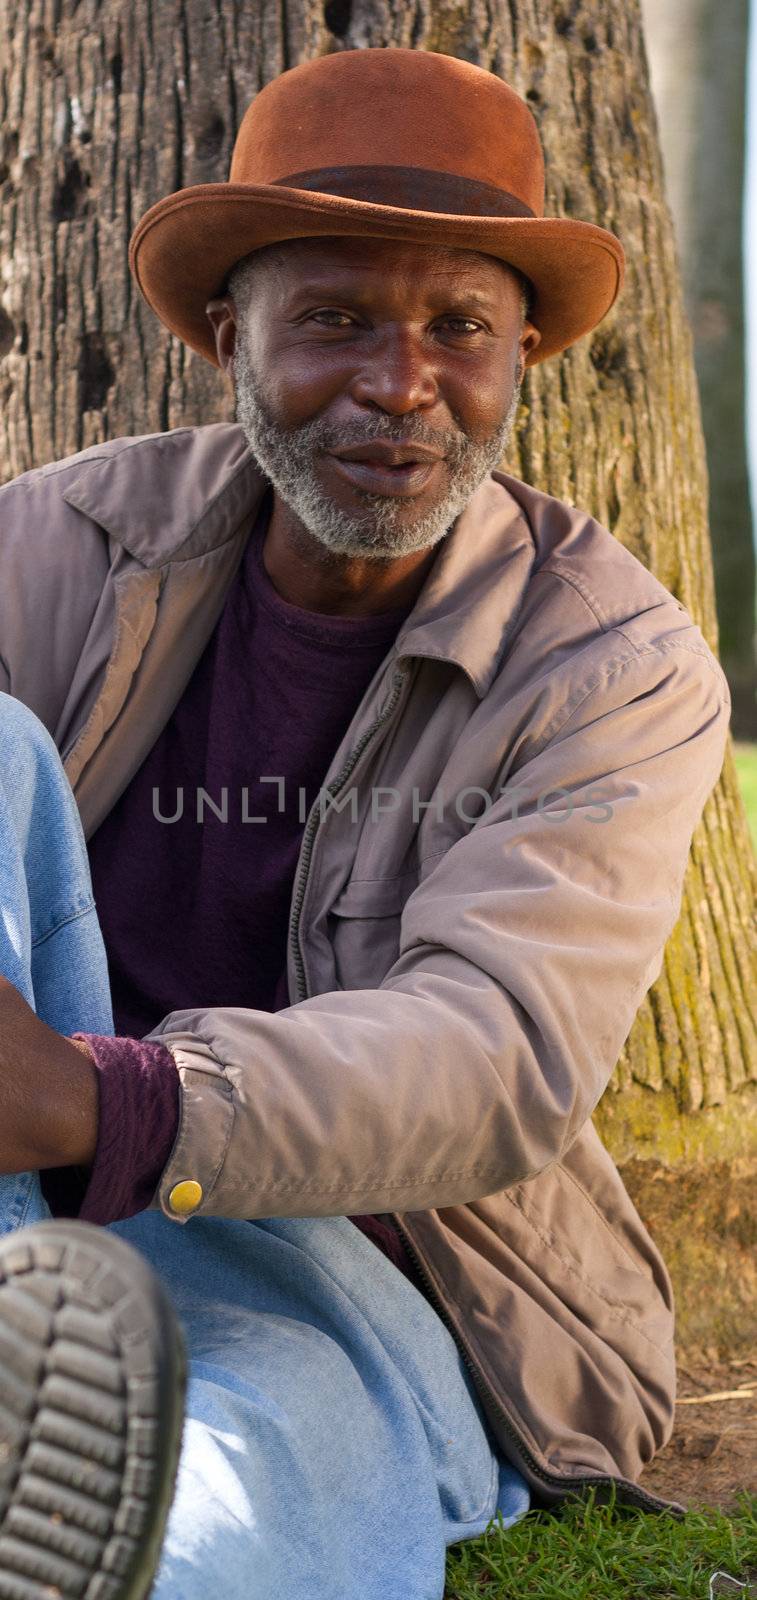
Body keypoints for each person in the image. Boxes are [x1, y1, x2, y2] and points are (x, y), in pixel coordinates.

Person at [0, 45, 730, 1600]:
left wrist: (101, 1098)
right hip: (25, 1195)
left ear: (521, 352)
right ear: (224, 336)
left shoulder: (613, 659)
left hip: (367, 1256)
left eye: (458, 327)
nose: (398, 384)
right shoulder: (55, 544)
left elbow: (493, 1051)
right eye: (330, 320)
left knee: (257, 1448)